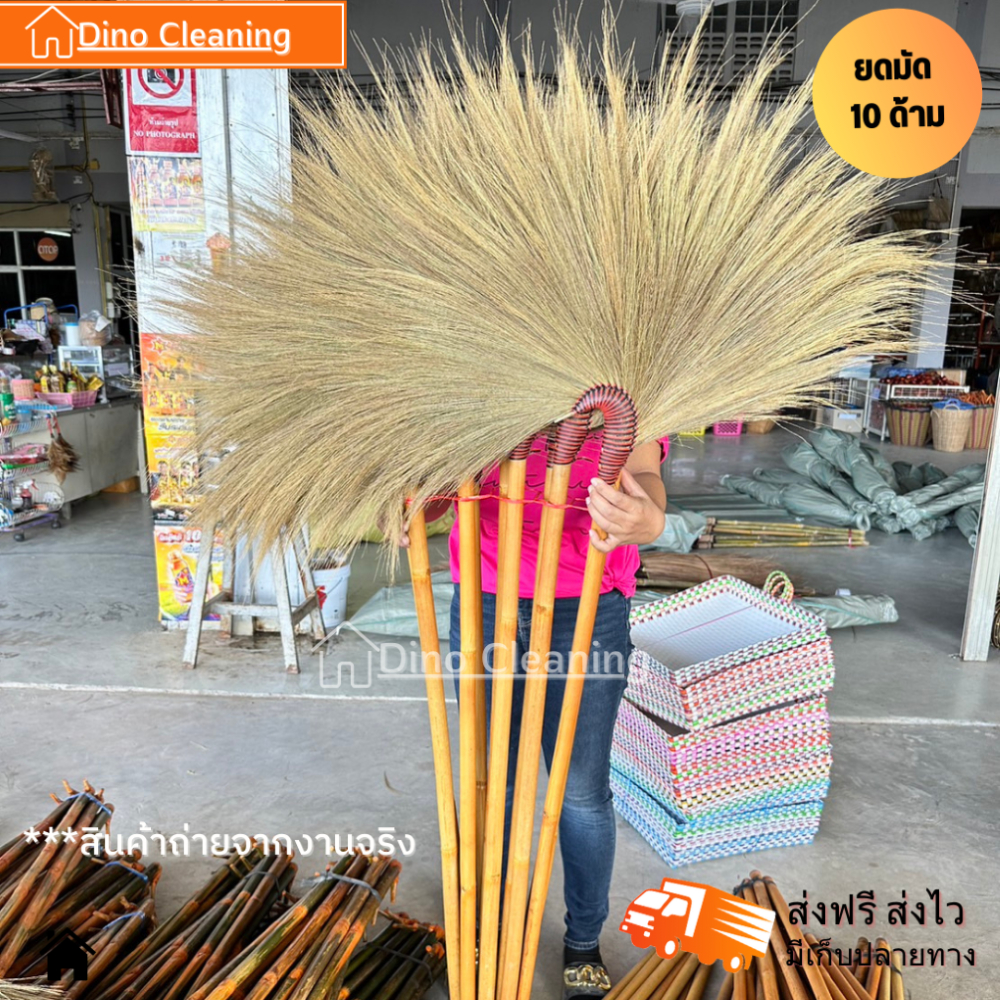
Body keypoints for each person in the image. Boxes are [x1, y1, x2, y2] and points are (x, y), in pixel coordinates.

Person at [404, 430, 668, 999]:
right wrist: (407, 500)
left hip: (589, 602)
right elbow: (435, 493)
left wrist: (647, 518)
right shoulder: (471, 386)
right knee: (491, 782)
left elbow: (645, 472)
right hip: (484, 594)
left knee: (580, 792)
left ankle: (583, 940)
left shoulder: (620, 389)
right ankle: (489, 924)